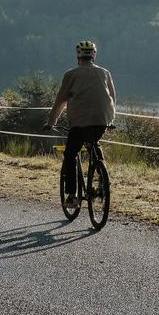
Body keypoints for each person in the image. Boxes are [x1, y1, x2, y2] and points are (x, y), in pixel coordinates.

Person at [43, 40, 117, 200]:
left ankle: (71, 195)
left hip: (79, 123)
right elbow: (112, 97)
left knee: (70, 154)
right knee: (93, 143)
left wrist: (51, 122)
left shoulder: (71, 74)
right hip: (102, 121)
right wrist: (110, 120)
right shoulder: (105, 73)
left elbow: (61, 101)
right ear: (94, 56)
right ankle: (102, 179)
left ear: (78, 56)